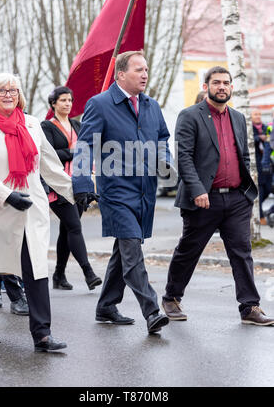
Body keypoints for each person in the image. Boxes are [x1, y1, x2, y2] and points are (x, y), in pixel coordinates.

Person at [162, 66, 274, 326]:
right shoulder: (189, 116)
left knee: (242, 252)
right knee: (189, 249)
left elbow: (243, 155)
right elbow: (184, 158)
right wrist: (197, 189)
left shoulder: (237, 117)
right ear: (206, 86)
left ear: (231, 87)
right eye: (216, 82)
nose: (222, 87)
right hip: (204, 200)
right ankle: (171, 297)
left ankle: (250, 307)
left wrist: (248, 191)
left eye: (226, 83)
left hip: (236, 199)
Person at [72, 50, 173, 334]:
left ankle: (106, 305)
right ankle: (152, 311)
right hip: (115, 191)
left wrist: (165, 161)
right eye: (139, 70)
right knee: (131, 249)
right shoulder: (100, 104)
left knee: (124, 250)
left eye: (146, 69)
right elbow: (85, 145)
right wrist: (81, 183)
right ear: (120, 75)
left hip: (145, 190)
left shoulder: (152, 106)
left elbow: (163, 137)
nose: (145, 74)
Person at [0, 73, 75, 351]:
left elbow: (50, 165)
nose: (8, 94)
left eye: (13, 90)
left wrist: (75, 189)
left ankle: (42, 334)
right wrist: (6, 195)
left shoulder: (31, 124)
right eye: (2, 90)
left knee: (36, 270)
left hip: (30, 210)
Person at [41, 86, 102, 291]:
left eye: (69, 100)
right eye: (63, 100)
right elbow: (48, 155)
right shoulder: (46, 127)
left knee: (66, 229)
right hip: (58, 185)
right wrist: (72, 151)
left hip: (79, 185)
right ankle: (88, 272)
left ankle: (58, 275)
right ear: (53, 104)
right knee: (74, 227)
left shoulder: (78, 125)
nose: (67, 104)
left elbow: (87, 152)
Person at [251, 108, 273, 225]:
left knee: (269, 189)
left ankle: (262, 212)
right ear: (251, 116)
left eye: (259, 114)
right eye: (256, 114)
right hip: (256, 165)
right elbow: (247, 141)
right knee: (259, 191)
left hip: (268, 165)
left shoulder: (266, 127)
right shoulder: (250, 128)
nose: (258, 116)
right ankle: (260, 216)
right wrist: (259, 138)